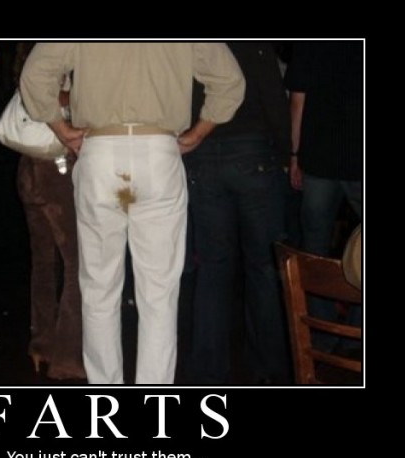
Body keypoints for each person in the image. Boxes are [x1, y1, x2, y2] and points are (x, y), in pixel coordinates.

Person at [20, 43, 245, 384]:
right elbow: (229, 80)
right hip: (159, 152)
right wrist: (198, 133)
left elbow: (35, 76)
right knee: (159, 294)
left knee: (99, 289)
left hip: (100, 151)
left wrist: (61, 129)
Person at [184, 42, 292, 385]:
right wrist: (287, 153)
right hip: (252, 151)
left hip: (201, 149)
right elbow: (272, 96)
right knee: (263, 266)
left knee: (213, 265)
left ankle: (208, 368)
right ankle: (268, 367)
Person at [13, 43, 85, 380]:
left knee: (42, 263)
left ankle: (41, 345)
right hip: (56, 171)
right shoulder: (57, 68)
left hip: (28, 168)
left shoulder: (27, 65)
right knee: (76, 264)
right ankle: (68, 358)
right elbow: (61, 101)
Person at [285, 41, 363, 352]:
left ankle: (322, 333)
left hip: (319, 156)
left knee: (314, 247)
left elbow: (298, 100)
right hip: (358, 155)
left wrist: (294, 153)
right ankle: (356, 330)